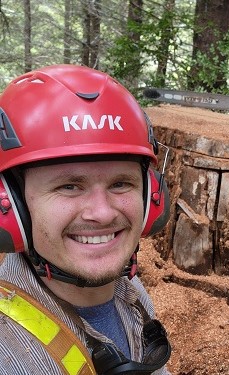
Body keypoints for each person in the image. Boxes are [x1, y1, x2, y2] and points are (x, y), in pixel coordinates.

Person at [0, 64, 171, 374]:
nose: (102, 213)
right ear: (11, 204)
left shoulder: (132, 294)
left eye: (121, 183)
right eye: (69, 186)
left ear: (151, 198)